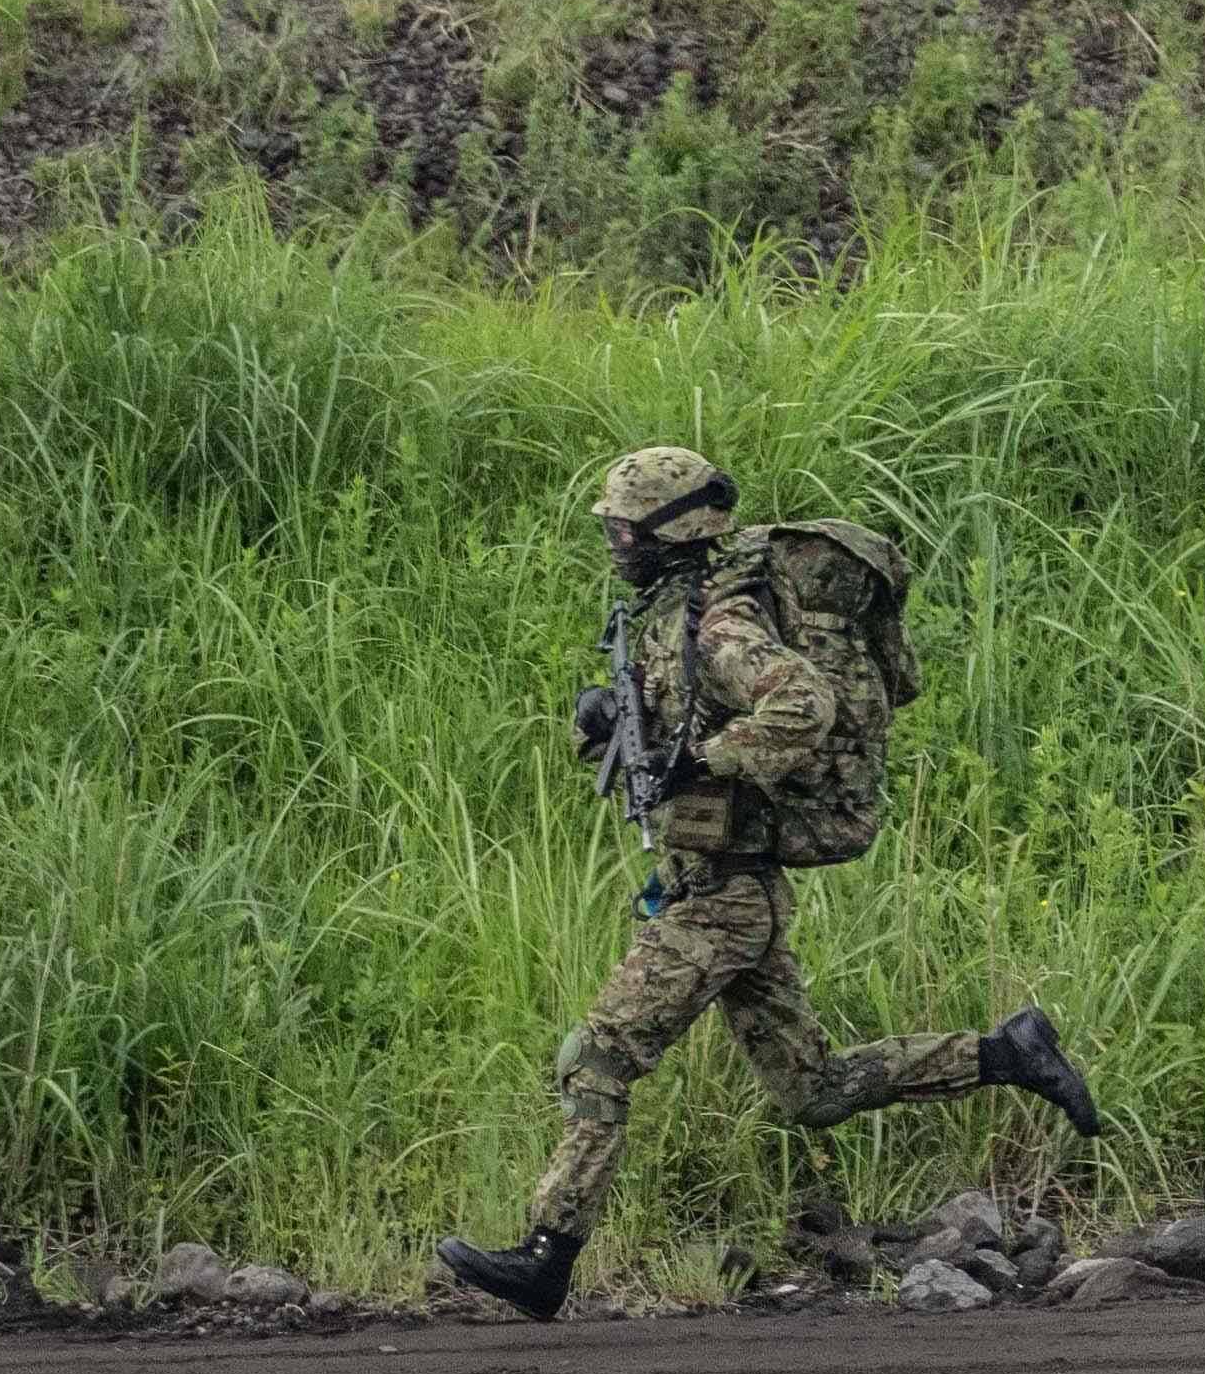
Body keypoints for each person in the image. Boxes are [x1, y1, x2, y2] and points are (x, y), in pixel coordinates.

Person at [438, 446, 1102, 1318]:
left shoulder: (720, 625)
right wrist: (603, 730)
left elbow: (803, 703)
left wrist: (705, 762)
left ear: (672, 531)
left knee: (597, 1057)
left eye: (626, 526)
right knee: (813, 1091)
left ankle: (545, 1257)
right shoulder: (669, 615)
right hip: (719, 889)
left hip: (723, 899)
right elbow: (660, 742)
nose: (615, 539)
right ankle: (1006, 1053)